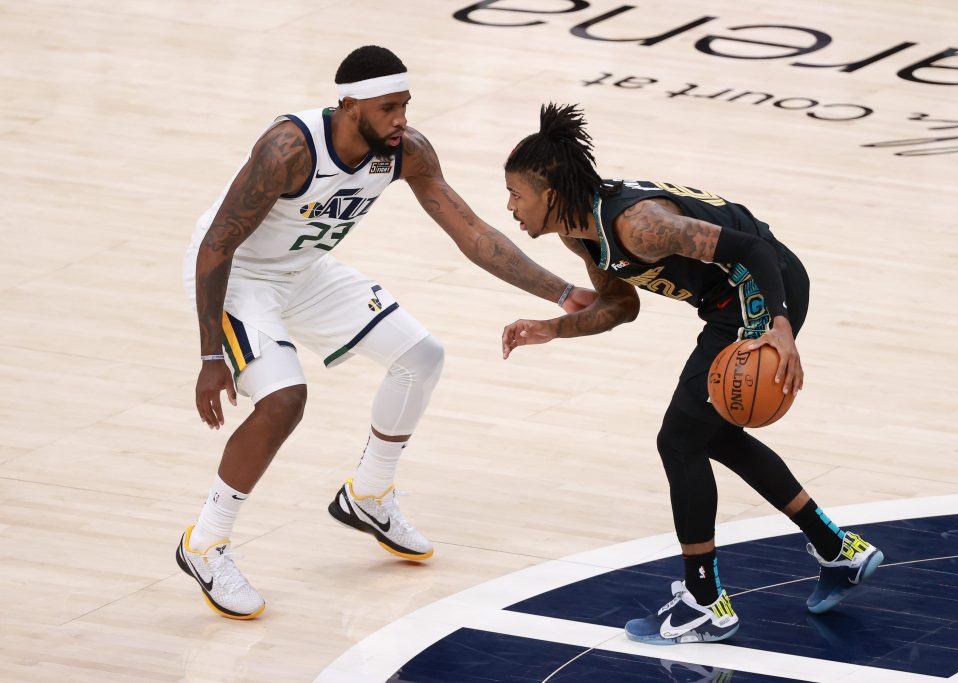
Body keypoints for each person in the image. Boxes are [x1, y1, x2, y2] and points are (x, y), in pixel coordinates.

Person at [176, 48, 593, 620]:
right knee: (284, 399)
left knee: (421, 356)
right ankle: (205, 542)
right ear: (349, 107)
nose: (402, 119)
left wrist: (561, 292)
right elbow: (216, 245)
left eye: (406, 106)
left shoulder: (406, 152)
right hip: (239, 276)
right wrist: (208, 355)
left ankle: (368, 495)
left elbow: (471, 232)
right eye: (389, 107)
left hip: (302, 271)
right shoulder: (288, 150)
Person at [500, 103, 884, 644]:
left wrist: (778, 326)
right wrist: (552, 328)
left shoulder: (640, 226)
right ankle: (837, 549)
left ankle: (707, 603)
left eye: (517, 194)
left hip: (759, 288)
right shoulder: (579, 231)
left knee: (678, 440)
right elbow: (620, 306)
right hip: (727, 302)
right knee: (714, 432)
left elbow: (752, 249)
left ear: (551, 195)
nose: (510, 206)